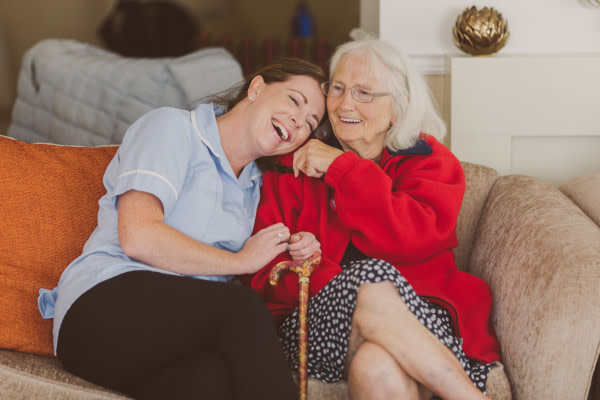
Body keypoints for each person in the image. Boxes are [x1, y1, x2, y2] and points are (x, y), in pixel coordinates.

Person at [37, 58, 326, 400]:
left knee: (211, 381)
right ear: (257, 88)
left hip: (162, 340)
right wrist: (240, 262)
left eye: (310, 123)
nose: (298, 121)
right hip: (99, 310)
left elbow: (223, 285)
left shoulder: (254, 187)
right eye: (294, 100)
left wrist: (294, 251)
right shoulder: (172, 128)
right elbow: (139, 236)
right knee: (242, 308)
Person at [243, 37, 502, 399]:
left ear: (398, 108)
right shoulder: (293, 168)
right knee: (367, 280)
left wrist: (341, 168)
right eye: (338, 88)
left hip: (424, 320)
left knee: (375, 367)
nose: (345, 103)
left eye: (365, 93)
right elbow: (262, 267)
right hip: (318, 327)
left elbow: (411, 236)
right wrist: (332, 281)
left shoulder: (430, 163)